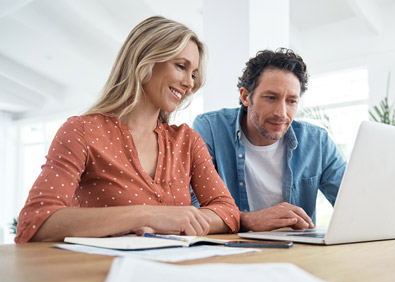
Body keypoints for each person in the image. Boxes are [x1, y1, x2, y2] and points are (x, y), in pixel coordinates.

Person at [15, 16, 239, 243]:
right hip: (97, 273)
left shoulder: (186, 141)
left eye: (193, 74)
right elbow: (36, 221)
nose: (190, 83)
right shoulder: (81, 131)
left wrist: (181, 222)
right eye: (181, 66)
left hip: (174, 271)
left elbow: (228, 212)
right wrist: (146, 214)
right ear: (145, 60)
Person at [191, 48, 346, 232]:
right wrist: (248, 220)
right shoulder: (210, 129)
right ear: (245, 96)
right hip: (231, 250)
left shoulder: (317, 141)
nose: (281, 113)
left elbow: (353, 203)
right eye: (271, 98)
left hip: (297, 252)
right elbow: (194, 210)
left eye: (291, 101)